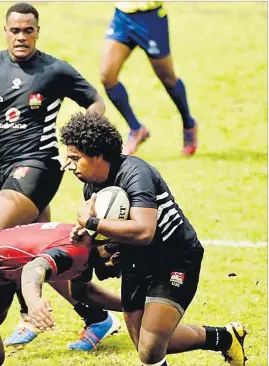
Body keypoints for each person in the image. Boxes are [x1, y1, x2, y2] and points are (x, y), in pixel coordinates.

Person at [0, 1, 111, 352]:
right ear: (6, 31)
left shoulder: (54, 70)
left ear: (37, 32)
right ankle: (96, 317)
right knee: (35, 253)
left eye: (28, 30)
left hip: (39, 167)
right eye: (15, 30)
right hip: (4, 170)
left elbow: (95, 101)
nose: (21, 37)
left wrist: (79, 144)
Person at [59, 112, 247, 366]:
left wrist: (91, 222)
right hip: (137, 262)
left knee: (149, 349)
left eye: (75, 158)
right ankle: (225, 338)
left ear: (98, 155)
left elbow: (144, 231)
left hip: (175, 258)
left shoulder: (136, 173)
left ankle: (199, 331)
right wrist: (89, 240)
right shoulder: (93, 185)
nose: (70, 165)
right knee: (148, 344)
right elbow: (110, 233)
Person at [0, 223, 122, 366]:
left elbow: (85, 293)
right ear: (112, 253)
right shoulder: (74, 251)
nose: (120, 273)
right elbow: (33, 268)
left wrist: (137, 306)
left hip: (1, 267)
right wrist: (33, 302)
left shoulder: (88, 244)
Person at [100, 2, 198, 156]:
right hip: (122, 16)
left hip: (151, 19)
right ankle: (136, 129)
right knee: (107, 77)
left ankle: (189, 124)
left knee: (167, 78)